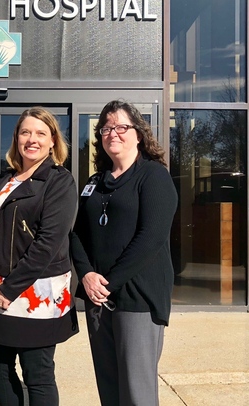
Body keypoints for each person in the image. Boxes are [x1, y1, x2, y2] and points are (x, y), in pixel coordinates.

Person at [70, 100, 178, 406]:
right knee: (110, 389)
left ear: (139, 134)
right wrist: (87, 276)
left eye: (121, 126)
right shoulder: (95, 183)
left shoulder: (153, 177)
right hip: (98, 299)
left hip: (137, 299)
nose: (112, 133)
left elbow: (151, 238)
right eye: (106, 128)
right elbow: (77, 234)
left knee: (136, 393)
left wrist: (108, 281)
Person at [0, 106, 78, 406]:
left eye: (40, 133)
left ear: (52, 141)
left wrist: (9, 288)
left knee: (38, 373)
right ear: (16, 138)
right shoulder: (5, 179)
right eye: (25, 132)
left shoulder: (59, 182)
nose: (32, 139)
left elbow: (48, 244)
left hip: (35, 293)